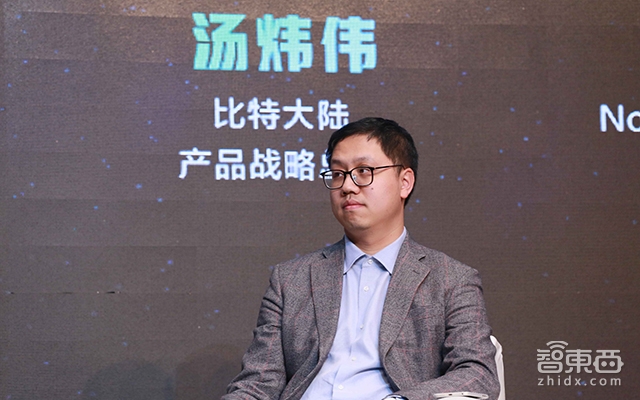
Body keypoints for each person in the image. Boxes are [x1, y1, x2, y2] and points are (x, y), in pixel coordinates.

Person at [222, 117, 500, 400]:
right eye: (338, 173)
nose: (347, 186)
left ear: (404, 182)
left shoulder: (451, 280)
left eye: (364, 171)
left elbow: (477, 373)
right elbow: (257, 383)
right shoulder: (291, 279)